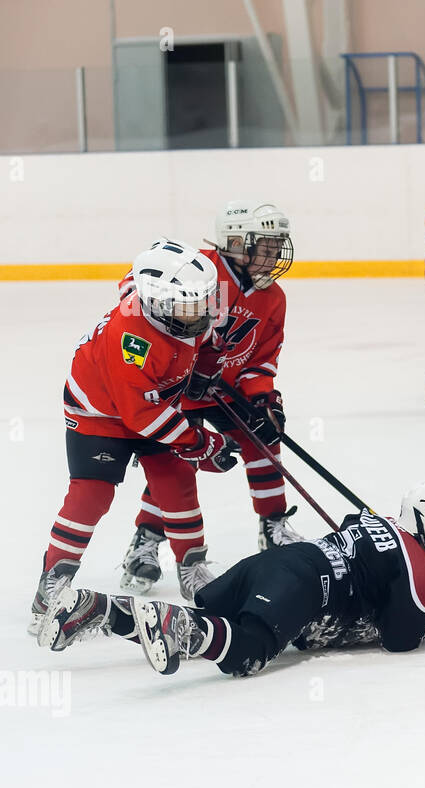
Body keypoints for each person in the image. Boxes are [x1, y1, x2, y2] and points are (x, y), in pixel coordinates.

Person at [38, 483, 425, 678]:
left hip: (276, 562)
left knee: (208, 621)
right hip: (304, 587)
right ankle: (178, 628)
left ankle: (97, 608)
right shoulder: (421, 571)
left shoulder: (377, 519)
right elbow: (403, 637)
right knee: (243, 652)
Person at [28, 239, 238, 637]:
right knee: (92, 494)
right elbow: (140, 416)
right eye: (193, 306)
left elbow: (206, 336)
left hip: (151, 401)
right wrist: (201, 443)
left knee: (176, 480)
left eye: (204, 302)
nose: (204, 313)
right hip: (100, 415)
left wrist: (208, 371)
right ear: (158, 304)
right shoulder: (131, 339)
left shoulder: (180, 308)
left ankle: (191, 565)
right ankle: (51, 584)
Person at [119, 202, 301, 597]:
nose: (273, 255)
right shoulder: (200, 269)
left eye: (276, 245)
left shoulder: (273, 297)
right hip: (179, 386)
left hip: (224, 387)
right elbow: (133, 285)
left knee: (264, 439)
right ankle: (147, 540)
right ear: (234, 242)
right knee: (176, 464)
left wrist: (263, 399)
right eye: (265, 245)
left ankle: (273, 525)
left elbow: (261, 359)